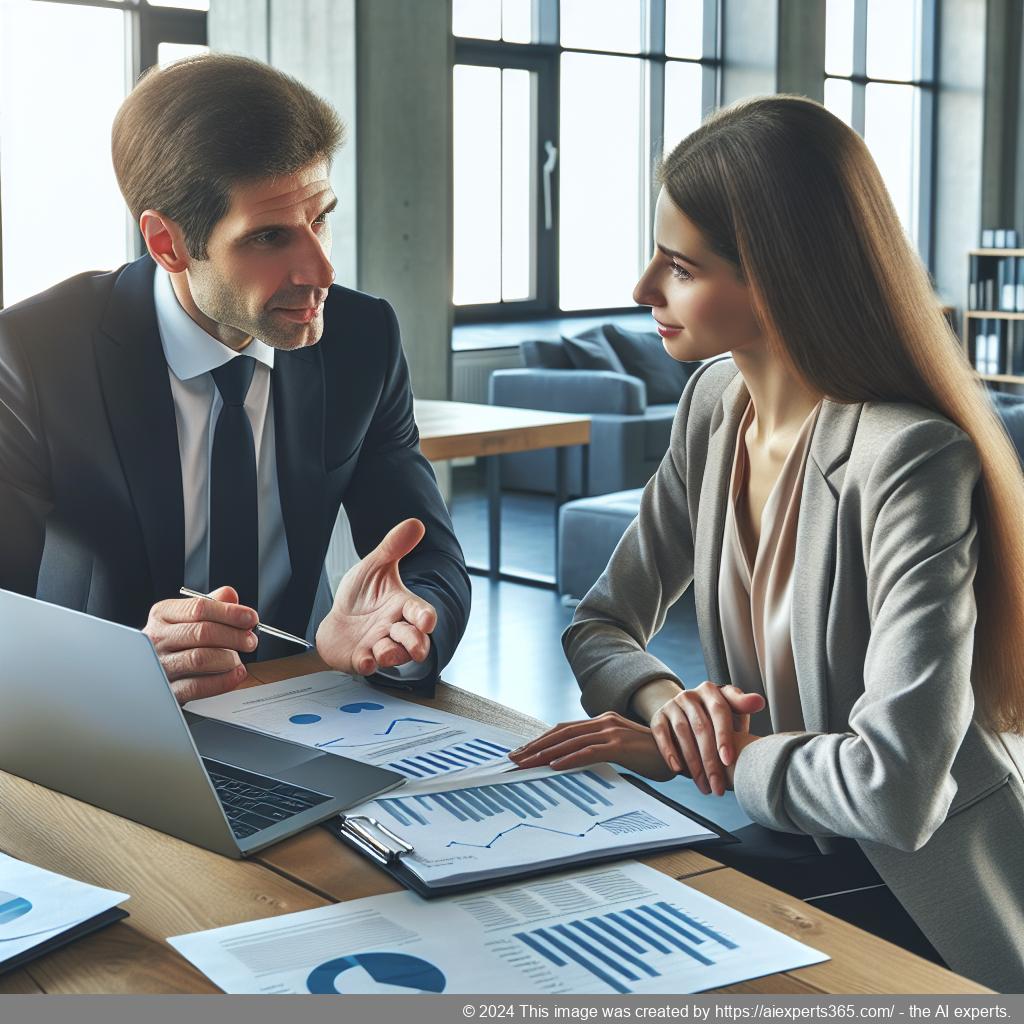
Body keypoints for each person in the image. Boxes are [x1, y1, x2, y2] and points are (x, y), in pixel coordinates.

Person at [510, 96, 1024, 993]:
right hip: (789, 845)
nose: (642, 289)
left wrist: (698, 752)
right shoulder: (715, 403)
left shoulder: (909, 457)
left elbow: (896, 791)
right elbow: (600, 624)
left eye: (680, 267)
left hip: (928, 903)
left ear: (781, 277)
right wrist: (671, 707)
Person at [0, 54, 470, 703]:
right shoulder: (35, 354)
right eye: (269, 237)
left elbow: (426, 555)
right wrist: (118, 665)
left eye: (320, 219)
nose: (321, 272)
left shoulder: (362, 338)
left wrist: (399, 631)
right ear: (167, 244)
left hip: (306, 696)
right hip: (100, 713)